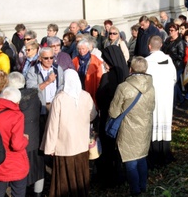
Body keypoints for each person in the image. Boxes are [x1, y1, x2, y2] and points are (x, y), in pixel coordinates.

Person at [42, 69, 96, 197]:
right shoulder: (86, 96)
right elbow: (93, 115)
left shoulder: (59, 98)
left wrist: (49, 147)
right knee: (80, 174)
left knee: (65, 177)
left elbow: (52, 125)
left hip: (64, 145)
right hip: (82, 144)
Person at [109, 56, 155, 197]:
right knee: (141, 157)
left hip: (128, 128)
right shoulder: (151, 86)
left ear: (131, 69)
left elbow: (113, 111)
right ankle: (143, 186)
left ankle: (135, 190)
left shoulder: (123, 87)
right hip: (145, 126)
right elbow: (152, 107)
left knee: (130, 160)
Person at [95, 45, 129, 188]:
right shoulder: (126, 74)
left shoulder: (107, 77)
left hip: (108, 118)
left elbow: (100, 97)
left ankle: (108, 177)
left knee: (108, 148)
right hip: (124, 118)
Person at [7, 72, 45, 197]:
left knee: (19, 170)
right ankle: (38, 193)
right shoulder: (34, 96)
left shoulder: (11, 100)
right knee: (38, 168)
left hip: (18, 139)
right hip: (34, 137)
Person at [0, 87, 30, 197]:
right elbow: (16, 145)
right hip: (15, 162)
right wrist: (25, 139)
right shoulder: (17, 115)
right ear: (17, 101)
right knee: (18, 192)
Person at [145, 36, 176, 167]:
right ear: (161, 45)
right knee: (164, 120)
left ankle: (154, 155)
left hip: (153, 97)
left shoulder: (146, 62)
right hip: (166, 97)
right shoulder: (168, 60)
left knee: (154, 121)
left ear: (149, 46)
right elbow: (174, 78)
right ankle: (165, 152)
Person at [25, 46, 65, 117]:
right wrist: (47, 82)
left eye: (51, 57)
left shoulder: (58, 69)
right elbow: (31, 90)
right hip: (40, 107)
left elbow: (62, 86)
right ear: (40, 58)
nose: (49, 60)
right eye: (46, 58)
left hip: (55, 105)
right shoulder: (33, 70)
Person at [73, 37, 104, 108]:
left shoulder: (95, 60)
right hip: (79, 87)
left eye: (83, 49)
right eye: (79, 49)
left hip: (92, 87)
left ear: (88, 49)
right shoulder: (75, 60)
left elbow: (99, 76)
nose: (81, 51)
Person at [163, 22, 187, 105]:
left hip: (177, 65)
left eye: (172, 30)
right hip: (168, 65)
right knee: (173, 83)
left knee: (173, 83)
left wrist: (171, 56)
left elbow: (181, 55)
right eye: (169, 30)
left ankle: (176, 100)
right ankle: (180, 98)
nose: (170, 32)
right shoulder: (167, 40)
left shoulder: (180, 42)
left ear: (177, 31)